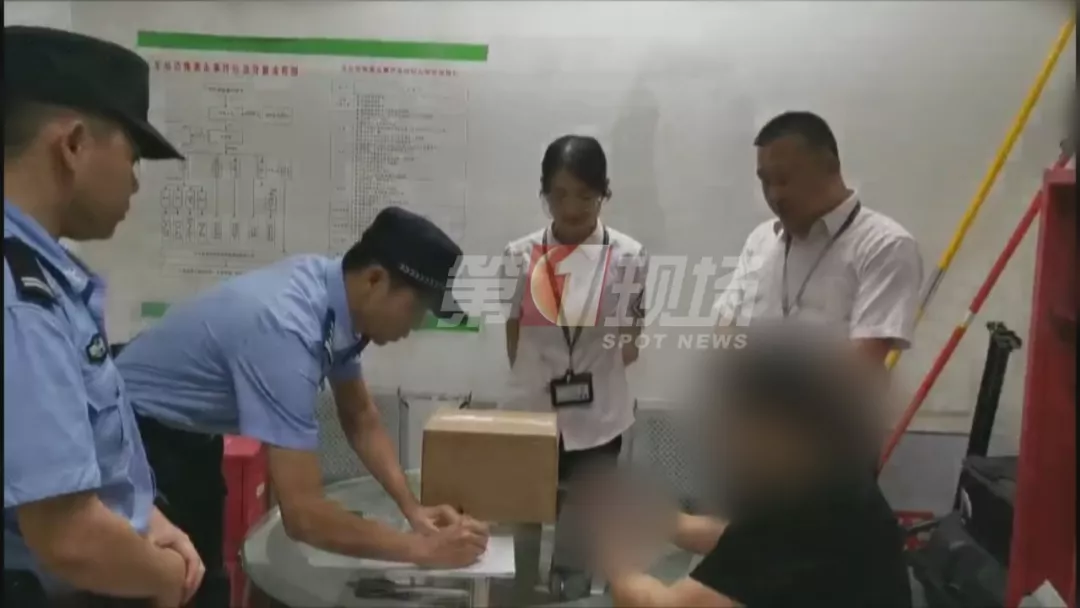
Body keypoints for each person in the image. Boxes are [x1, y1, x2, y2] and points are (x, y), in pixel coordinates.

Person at [114, 206, 489, 605]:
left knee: (206, 585)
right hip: (128, 438)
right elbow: (304, 515)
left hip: (188, 437)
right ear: (375, 279)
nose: (414, 326)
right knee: (159, 588)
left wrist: (412, 510)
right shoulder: (286, 331)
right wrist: (422, 550)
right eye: (415, 309)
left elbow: (360, 416)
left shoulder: (333, 302)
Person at [3, 27, 204, 607]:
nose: (136, 181)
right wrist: (166, 579)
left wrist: (151, 524)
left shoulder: (43, 275)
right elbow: (69, 538)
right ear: (73, 144)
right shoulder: (21, 299)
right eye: (133, 156)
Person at [586, 324, 913, 607]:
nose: (722, 440)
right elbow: (746, 542)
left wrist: (615, 558)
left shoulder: (805, 511)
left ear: (775, 426)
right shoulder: (826, 477)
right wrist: (658, 520)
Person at [500, 135, 648, 599]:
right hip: (531, 411)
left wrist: (595, 371)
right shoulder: (519, 255)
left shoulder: (629, 257)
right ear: (544, 194)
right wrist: (539, 376)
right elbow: (512, 330)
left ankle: (573, 591)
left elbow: (630, 337)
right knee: (523, 517)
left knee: (581, 528)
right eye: (559, 195)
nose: (571, 208)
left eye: (585, 195)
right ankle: (521, 592)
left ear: (604, 193)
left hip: (600, 415)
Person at [715, 111, 923, 365]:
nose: (775, 195)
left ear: (830, 168)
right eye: (766, 181)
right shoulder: (760, 239)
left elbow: (863, 364)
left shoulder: (884, 245)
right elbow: (726, 327)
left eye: (784, 179)